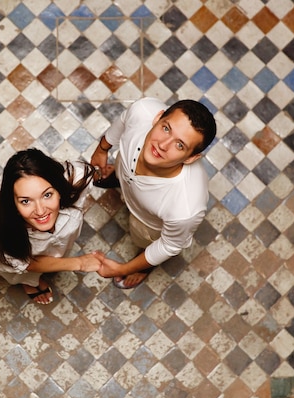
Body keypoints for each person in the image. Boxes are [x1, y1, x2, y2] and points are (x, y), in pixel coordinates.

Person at [91, 97, 217, 289]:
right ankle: (119, 178)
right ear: (158, 117)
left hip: (147, 223)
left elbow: (168, 246)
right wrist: (102, 149)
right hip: (125, 172)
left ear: (191, 157)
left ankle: (142, 268)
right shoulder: (143, 111)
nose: (163, 145)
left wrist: (121, 269)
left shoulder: (185, 208)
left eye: (179, 145)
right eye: (166, 128)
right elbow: (124, 121)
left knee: (144, 241)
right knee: (122, 169)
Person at [0, 148, 102, 304]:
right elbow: (27, 264)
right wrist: (79, 263)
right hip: (24, 260)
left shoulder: (76, 177)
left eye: (47, 195)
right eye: (25, 201)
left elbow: (90, 174)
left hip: (60, 245)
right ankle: (29, 282)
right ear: (13, 203)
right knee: (23, 275)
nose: (41, 211)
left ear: (59, 187)